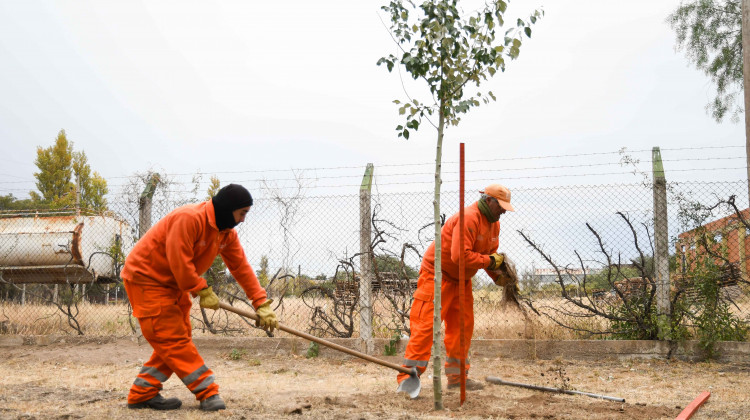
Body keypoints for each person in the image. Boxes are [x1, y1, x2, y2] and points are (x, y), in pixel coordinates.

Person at [122, 183, 278, 411]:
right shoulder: (188, 219)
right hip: (147, 280)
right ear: (229, 208)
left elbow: (241, 267)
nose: (243, 219)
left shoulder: (226, 234)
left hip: (174, 285)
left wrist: (261, 302)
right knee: (173, 340)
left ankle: (142, 392)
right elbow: (179, 261)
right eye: (242, 213)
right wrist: (200, 288)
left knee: (177, 338)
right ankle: (207, 392)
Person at [396, 184, 515, 392]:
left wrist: (500, 277)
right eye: (501, 206)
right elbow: (460, 256)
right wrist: (490, 262)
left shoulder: (494, 224)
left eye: (506, 207)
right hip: (437, 275)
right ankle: (408, 380)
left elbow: (489, 256)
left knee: (462, 328)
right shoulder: (468, 217)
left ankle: (457, 379)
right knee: (425, 328)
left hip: (462, 279)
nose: (504, 211)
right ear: (489, 201)